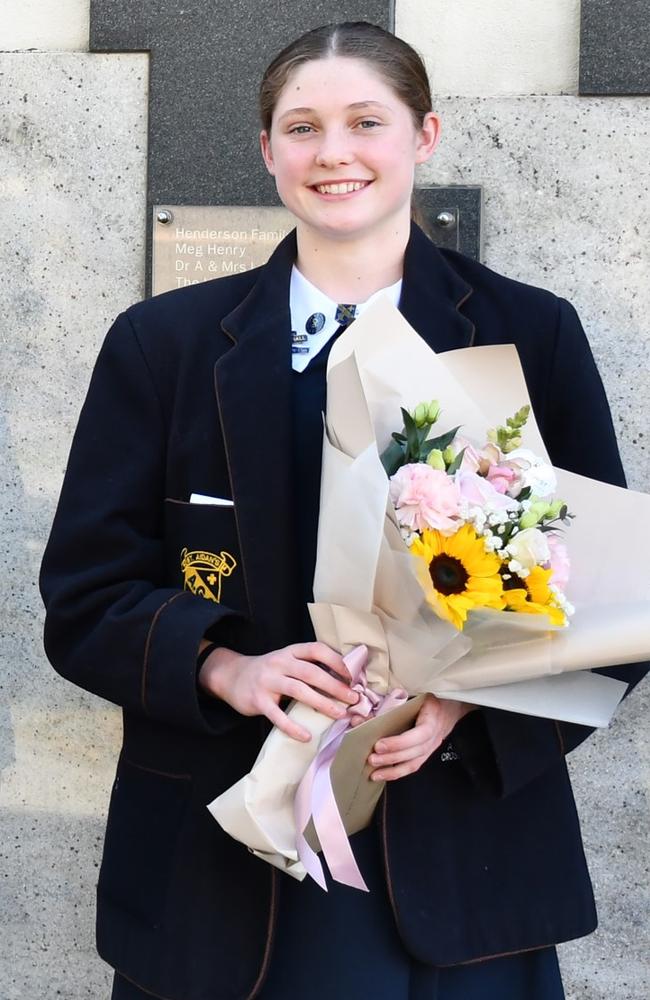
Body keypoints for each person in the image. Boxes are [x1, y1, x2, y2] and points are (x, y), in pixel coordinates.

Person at [39, 21, 646, 1000]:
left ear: (423, 135)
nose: (333, 152)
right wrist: (223, 665)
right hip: (219, 866)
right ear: (266, 150)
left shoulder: (527, 331)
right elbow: (82, 595)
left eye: (366, 120)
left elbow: (609, 604)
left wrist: (465, 706)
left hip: (458, 856)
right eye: (302, 126)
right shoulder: (164, 345)